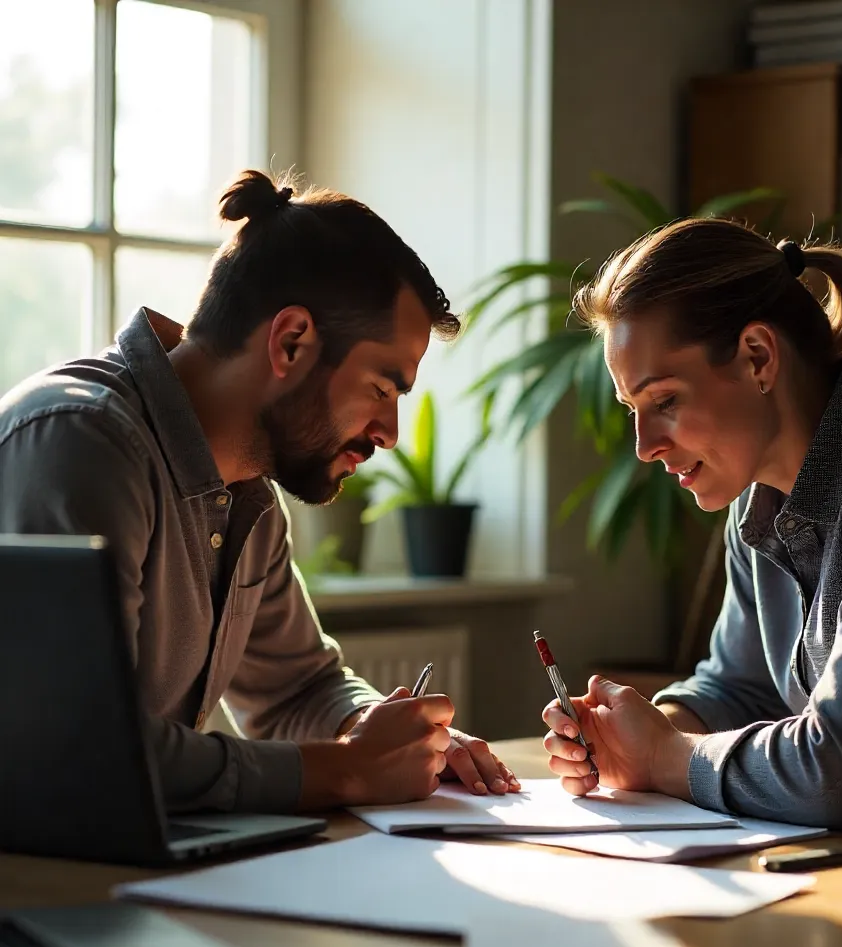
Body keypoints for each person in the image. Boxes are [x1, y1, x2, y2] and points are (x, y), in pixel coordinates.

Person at [0, 169, 519, 814]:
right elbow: (85, 749)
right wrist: (346, 772)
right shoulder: (80, 441)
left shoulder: (247, 497)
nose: (388, 433)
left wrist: (389, 737)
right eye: (382, 389)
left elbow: (298, 690)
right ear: (291, 341)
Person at [543, 218, 842, 835]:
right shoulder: (758, 500)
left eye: (665, 401)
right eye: (634, 410)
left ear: (758, 357)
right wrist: (647, 731)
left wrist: (665, 758)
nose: (644, 446)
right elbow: (740, 689)